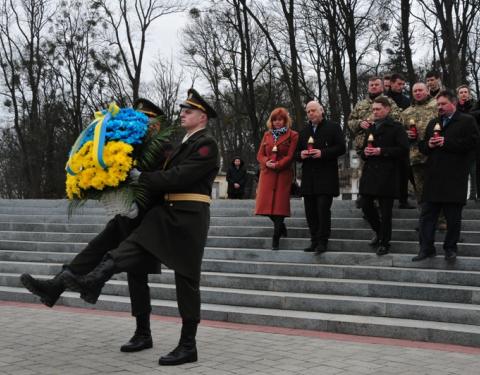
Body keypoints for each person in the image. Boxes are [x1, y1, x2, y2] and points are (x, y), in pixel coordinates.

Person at [27, 89, 219, 366]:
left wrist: (141, 185)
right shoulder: (172, 144)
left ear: (202, 117)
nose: (182, 114)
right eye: (182, 110)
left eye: (188, 111)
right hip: (155, 213)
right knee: (106, 250)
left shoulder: (199, 144)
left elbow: (178, 176)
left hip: (180, 215)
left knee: (184, 278)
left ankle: (185, 344)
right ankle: (63, 285)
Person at [21, 98, 170, 353]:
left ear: (156, 125)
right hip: (125, 216)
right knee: (94, 248)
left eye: (147, 120)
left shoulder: (163, 148)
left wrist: (137, 196)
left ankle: (143, 334)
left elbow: (160, 183)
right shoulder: (128, 146)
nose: (143, 124)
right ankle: (54, 288)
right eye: (140, 118)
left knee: (137, 277)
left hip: (147, 220)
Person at [413, 90, 479, 262]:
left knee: (453, 218)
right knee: (427, 216)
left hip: (454, 178)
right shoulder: (433, 122)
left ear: (453, 103)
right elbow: (423, 147)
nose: (439, 107)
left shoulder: (466, 121)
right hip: (433, 177)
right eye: (438, 104)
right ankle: (426, 248)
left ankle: (450, 249)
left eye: (443, 104)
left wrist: (446, 142)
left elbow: (473, 144)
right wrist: (427, 143)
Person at [359, 97, 409, 255]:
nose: (375, 112)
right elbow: (363, 149)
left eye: (378, 109)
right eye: (373, 110)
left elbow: (403, 149)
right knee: (366, 205)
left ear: (387, 109)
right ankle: (379, 232)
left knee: (386, 212)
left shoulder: (396, 128)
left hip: (388, 174)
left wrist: (382, 151)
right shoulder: (371, 128)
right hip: (370, 174)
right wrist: (365, 153)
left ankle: (384, 242)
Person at [296, 101, 346, 254]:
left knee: (323, 210)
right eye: (308, 111)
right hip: (309, 177)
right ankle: (314, 240)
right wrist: (301, 155)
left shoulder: (333, 127)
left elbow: (341, 147)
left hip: (326, 176)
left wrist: (323, 153)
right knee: (310, 212)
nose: (311, 113)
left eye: (313, 110)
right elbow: (296, 153)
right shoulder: (304, 131)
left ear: (321, 111)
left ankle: (323, 241)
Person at [347, 76, 401, 207]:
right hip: (362, 146)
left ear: (382, 87)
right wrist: (360, 123)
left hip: (382, 146)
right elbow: (350, 122)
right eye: (371, 85)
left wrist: (378, 120)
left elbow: (398, 118)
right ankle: (364, 199)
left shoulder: (389, 102)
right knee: (362, 175)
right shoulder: (360, 104)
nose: (374, 87)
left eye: (377, 85)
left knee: (379, 177)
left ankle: (377, 203)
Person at [255, 107, 298, 250]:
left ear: (285, 121)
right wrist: (266, 162)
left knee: (279, 207)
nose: (277, 122)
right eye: (274, 120)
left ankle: (276, 236)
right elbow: (260, 154)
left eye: (280, 119)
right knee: (264, 206)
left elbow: (290, 156)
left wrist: (278, 165)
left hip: (283, 174)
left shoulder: (293, 135)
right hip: (267, 173)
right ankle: (281, 226)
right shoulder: (267, 135)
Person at [456, 84, 480, 200]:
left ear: (469, 94)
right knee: (459, 172)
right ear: (458, 95)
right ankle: (459, 195)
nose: (463, 94)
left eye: (465, 92)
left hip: (472, 144)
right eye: (461, 92)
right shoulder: (454, 108)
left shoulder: (474, 107)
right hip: (457, 143)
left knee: (473, 171)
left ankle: (472, 196)